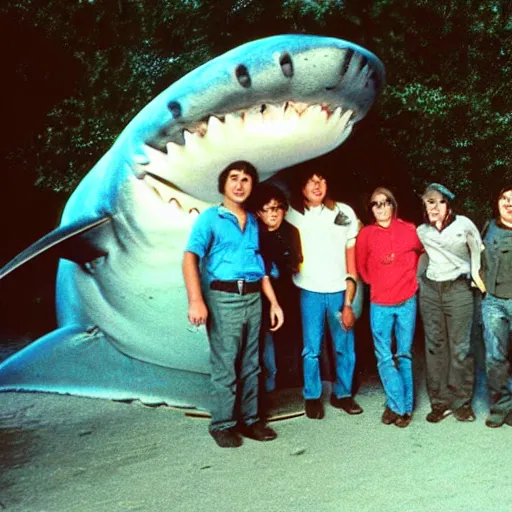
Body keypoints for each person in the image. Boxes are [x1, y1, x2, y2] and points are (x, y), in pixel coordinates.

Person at [182, 161, 284, 448]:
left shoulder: (253, 221)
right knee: (226, 364)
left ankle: (250, 420)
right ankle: (223, 424)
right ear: (223, 184)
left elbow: (259, 265)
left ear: (252, 186)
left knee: (252, 363)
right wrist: (195, 300)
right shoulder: (210, 218)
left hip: (253, 297)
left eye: (246, 180)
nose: (239, 185)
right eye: (234, 178)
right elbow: (190, 258)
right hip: (223, 297)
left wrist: (273, 303)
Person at [286, 171, 362, 419]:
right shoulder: (290, 212)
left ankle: (343, 394)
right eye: (311, 180)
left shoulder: (344, 212)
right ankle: (312, 396)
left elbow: (352, 259)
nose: (317, 185)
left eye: (322, 180)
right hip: (310, 291)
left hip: (339, 289)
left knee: (345, 346)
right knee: (312, 347)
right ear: (301, 186)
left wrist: (350, 299)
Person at [417, 183, 486, 423]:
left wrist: (477, 279)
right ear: (424, 205)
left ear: (449, 204)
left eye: (440, 202)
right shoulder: (421, 231)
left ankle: (462, 402)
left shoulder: (464, 224)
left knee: (461, 347)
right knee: (435, 345)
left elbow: (478, 250)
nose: (435, 207)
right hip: (431, 290)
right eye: (430, 202)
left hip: (459, 288)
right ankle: (440, 402)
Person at [356, 187, 423, 428]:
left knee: (403, 354)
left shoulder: (409, 230)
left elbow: (424, 253)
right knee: (384, 356)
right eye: (376, 204)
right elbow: (361, 265)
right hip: (380, 303)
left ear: (393, 205)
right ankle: (399, 406)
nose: (381, 207)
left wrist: (414, 278)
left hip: (406, 300)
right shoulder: (366, 234)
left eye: (386, 202)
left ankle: (400, 407)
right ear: (371, 209)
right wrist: (374, 281)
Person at [252, 184, 303, 392]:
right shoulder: (253, 234)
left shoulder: (291, 232)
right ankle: (268, 388)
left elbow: (296, 263)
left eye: (277, 208)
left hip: (288, 294)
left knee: (290, 342)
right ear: (258, 212)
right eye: (267, 209)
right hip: (261, 299)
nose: (273, 213)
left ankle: (290, 383)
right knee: (265, 345)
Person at [481, 185, 512, 428]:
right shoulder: (487, 228)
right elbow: (475, 258)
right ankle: (500, 407)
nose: (508, 203)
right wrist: (481, 286)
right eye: (504, 198)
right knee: (495, 357)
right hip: (493, 302)